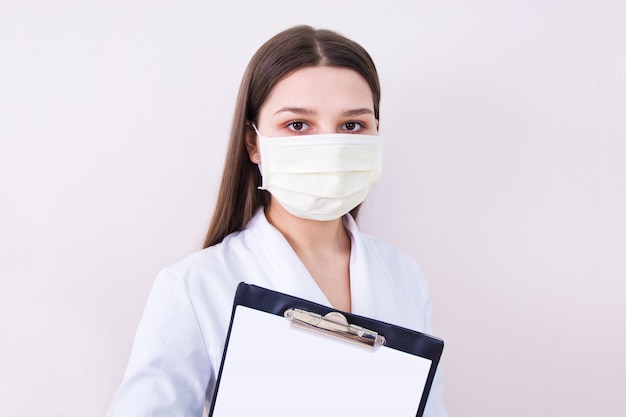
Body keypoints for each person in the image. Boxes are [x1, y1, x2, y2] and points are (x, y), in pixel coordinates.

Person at [106, 25, 448, 417]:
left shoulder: (405, 276)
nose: (331, 149)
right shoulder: (194, 286)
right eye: (297, 125)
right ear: (254, 143)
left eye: (351, 125)